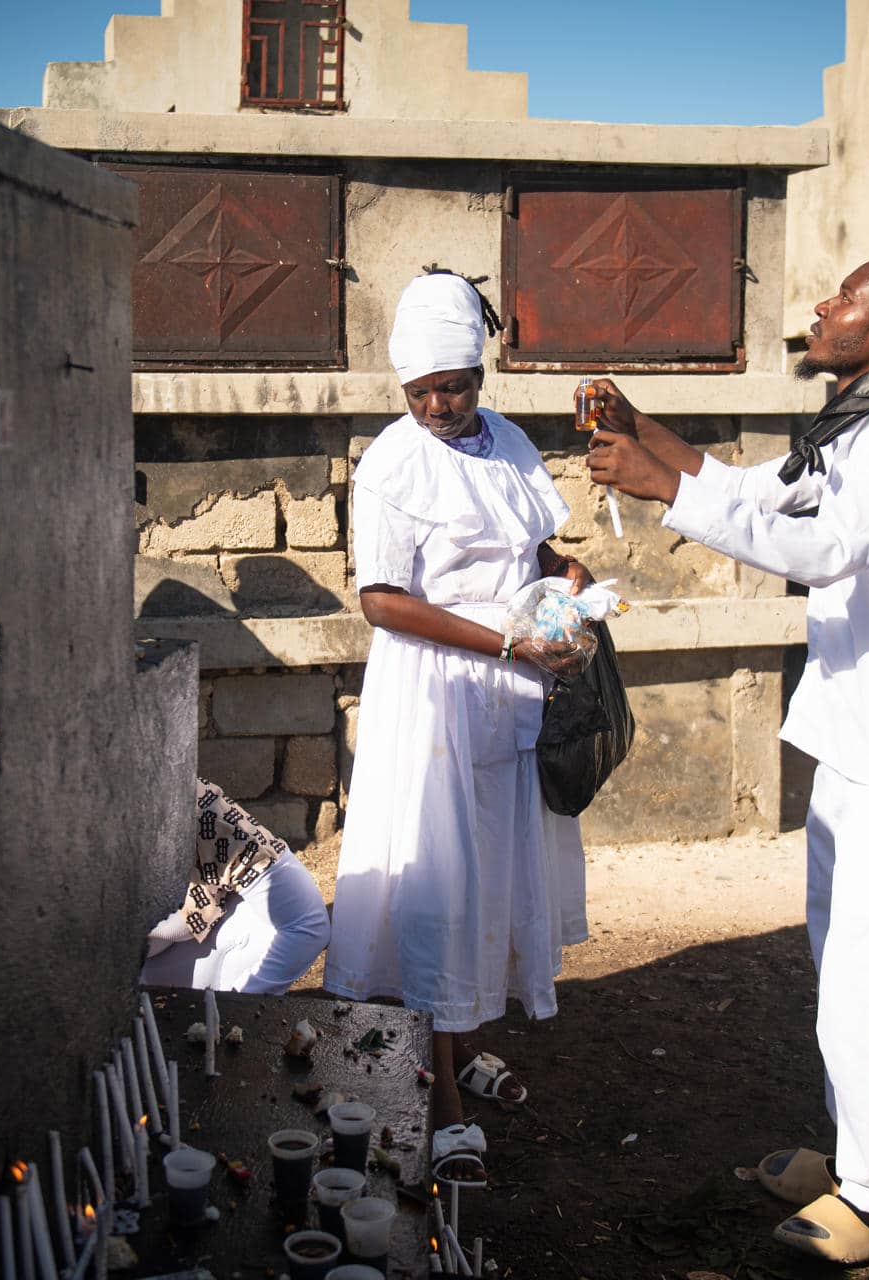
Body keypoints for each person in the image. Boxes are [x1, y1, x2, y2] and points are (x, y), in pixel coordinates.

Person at [585, 254, 869, 1265]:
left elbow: (821, 549)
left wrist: (659, 492)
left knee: (862, 986)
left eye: (844, 298)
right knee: (836, 975)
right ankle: (857, 1155)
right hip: (853, 749)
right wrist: (641, 433)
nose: (821, 306)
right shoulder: (855, 425)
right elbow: (747, 490)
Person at [323, 269, 594, 1184]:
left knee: (491, 874)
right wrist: (507, 642)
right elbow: (383, 602)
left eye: (456, 385)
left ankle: (462, 1044)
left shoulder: (508, 442)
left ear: (481, 379)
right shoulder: (393, 464)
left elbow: (538, 545)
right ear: (400, 387)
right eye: (422, 389)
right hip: (439, 693)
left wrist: (569, 583)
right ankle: (438, 1096)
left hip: (512, 696)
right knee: (440, 882)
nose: (440, 404)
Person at [141, 778, 332, 994]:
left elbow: (306, 924)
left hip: (188, 953)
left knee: (264, 927)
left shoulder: (197, 812)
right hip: (123, 972)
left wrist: (237, 1006)